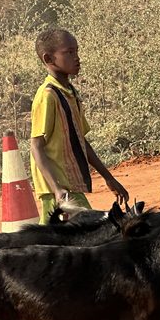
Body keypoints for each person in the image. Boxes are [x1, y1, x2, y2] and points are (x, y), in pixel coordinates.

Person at [29, 28, 129, 223]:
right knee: (87, 236)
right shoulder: (47, 96)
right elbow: (36, 147)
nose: (77, 58)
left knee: (63, 244)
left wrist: (109, 178)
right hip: (57, 189)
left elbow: (81, 141)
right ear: (48, 59)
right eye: (69, 52)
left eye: (77, 51)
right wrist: (57, 190)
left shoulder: (70, 93)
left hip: (69, 186)